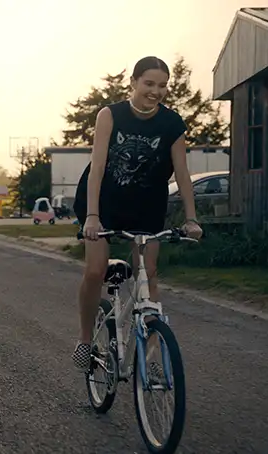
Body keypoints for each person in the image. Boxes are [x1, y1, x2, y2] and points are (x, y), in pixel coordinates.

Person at [70, 56, 203, 370]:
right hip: (103, 203)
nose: (156, 91)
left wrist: (192, 218)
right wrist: (91, 216)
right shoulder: (110, 115)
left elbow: (182, 173)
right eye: (149, 83)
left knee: (148, 274)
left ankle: (153, 356)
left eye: (162, 85)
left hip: (146, 206)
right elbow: (98, 167)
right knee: (94, 270)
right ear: (133, 83)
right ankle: (86, 339)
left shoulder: (172, 124)